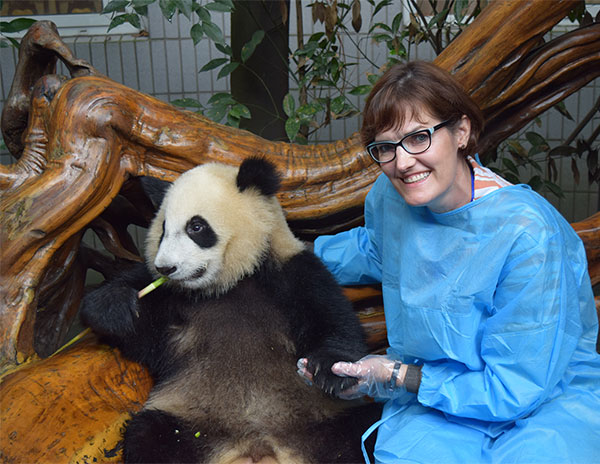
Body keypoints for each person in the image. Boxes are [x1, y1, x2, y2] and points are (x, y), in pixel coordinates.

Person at [299, 61, 600, 463]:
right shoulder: (392, 197)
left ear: (462, 131)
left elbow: (516, 387)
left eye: (419, 137)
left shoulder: (527, 235)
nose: (402, 162)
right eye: (386, 147)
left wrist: (393, 376)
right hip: (437, 402)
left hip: (540, 404)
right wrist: (283, 257)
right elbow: (376, 248)